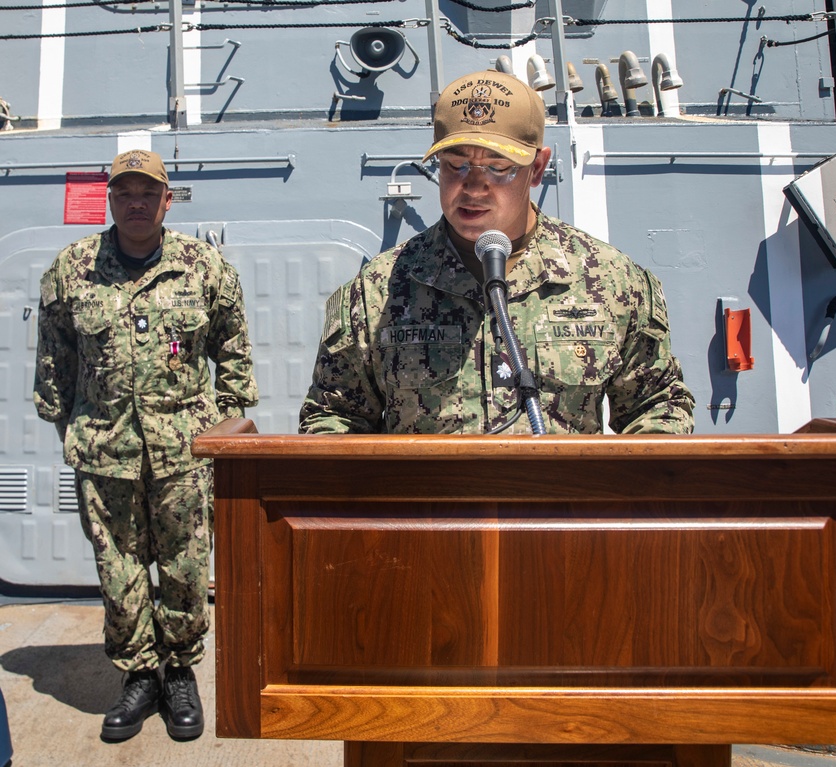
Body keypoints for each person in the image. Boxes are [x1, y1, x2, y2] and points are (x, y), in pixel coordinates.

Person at [299, 70, 694, 435]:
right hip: (429, 509)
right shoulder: (377, 291)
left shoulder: (609, 281)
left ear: (538, 168)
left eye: (498, 167)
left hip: (557, 505)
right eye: (455, 166)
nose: (473, 187)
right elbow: (334, 418)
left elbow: (658, 404)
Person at [33, 150, 258, 741]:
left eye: (147, 192)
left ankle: (179, 671)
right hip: (104, 453)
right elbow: (54, 360)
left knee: (186, 567)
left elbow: (232, 353)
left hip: (185, 455)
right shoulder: (72, 270)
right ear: (110, 200)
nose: (136, 202)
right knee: (120, 570)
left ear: (166, 199)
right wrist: (72, 428)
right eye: (124, 192)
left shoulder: (204, 267)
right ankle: (138, 674)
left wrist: (228, 431)